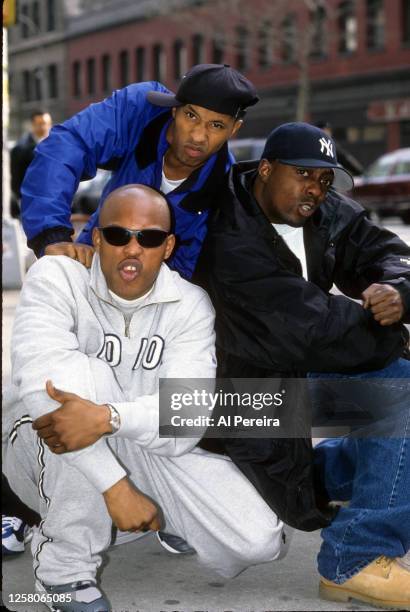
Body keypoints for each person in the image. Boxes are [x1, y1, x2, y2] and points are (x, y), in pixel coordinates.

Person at [3, 185, 286, 612]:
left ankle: (144, 516)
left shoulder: (189, 305)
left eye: (149, 238)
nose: (132, 249)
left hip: (135, 438)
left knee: (257, 540)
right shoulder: (57, 275)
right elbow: (47, 392)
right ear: (95, 237)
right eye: (118, 235)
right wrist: (116, 486)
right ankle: (65, 569)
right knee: (77, 390)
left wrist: (111, 417)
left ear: (168, 246)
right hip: (37, 441)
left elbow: (184, 421)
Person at [195, 122, 410, 610]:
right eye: (303, 175)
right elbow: (307, 326)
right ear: (266, 169)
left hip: (284, 377)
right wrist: (395, 335)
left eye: (325, 179)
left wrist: (397, 292)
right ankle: (354, 561)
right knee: (400, 391)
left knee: (399, 393)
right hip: (217, 396)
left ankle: (358, 532)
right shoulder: (229, 230)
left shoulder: (319, 209)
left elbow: (386, 253)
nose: (315, 189)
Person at [20, 63, 258, 279]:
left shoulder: (227, 193)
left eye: (216, 125)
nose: (198, 136)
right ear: (174, 109)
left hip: (160, 302)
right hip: (90, 262)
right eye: (191, 115)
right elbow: (67, 146)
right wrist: (51, 235)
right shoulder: (139, 111)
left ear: (234, 129)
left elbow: (193, 278)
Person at [10, 109, 52, 218]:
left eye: (47, 124)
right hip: (32, 202)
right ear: (33, 125)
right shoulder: (20, 149)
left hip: (55, 200)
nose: (44, 127)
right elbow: (16, 178)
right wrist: (22, 200)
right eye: (40, 124)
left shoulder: (57, 144)